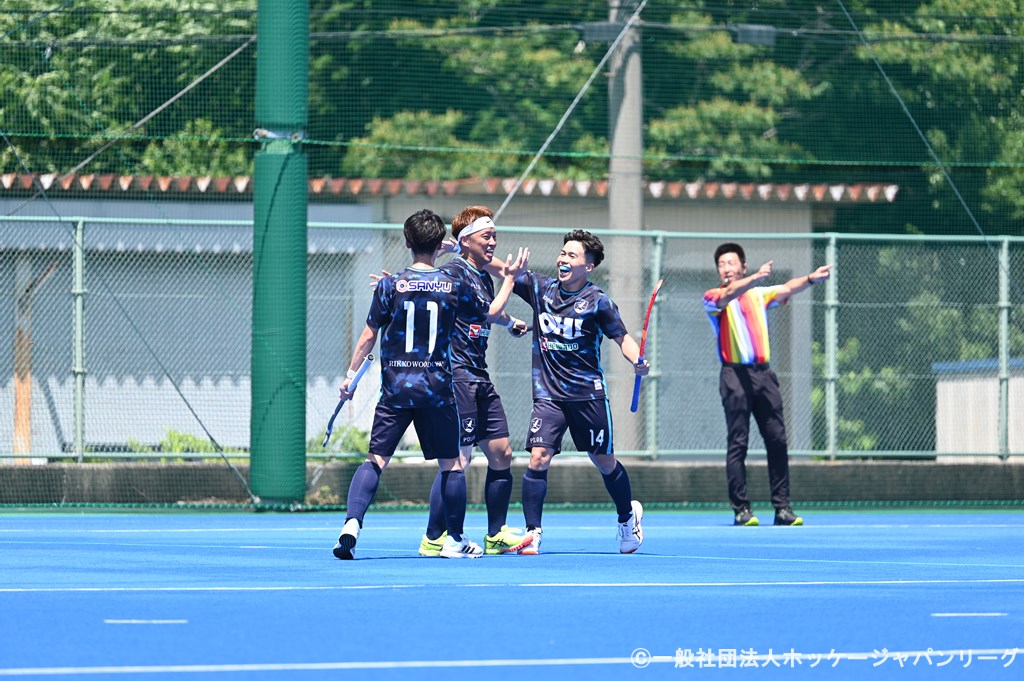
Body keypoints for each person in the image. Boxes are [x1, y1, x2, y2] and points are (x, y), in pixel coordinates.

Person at [331, 208, 524, 560]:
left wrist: (350, 376)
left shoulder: (390, 285)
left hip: (396, 389)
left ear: (407, 243)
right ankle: (454, 539)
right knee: (452, 465)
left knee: (376, 459)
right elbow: (488, 313)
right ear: (440, 245)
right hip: (436, 389)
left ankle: (352, 524)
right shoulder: (453, 285)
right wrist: (509, 282)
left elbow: (369, 335)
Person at [512, 229, 649, 555]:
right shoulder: (541, 288)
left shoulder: (599, 302)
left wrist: (637, 361)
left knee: (604, 461)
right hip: (548, 394)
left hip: (587, 395)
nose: (563, 259)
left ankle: (627, 517)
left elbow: (623, 338)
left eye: (572, 255)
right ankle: (533, 532)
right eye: (563, 253)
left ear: (588, 266)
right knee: (538, 457)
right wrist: (465, 250)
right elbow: (503, 272)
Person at [416, 205, 535, 557]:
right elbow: (487, 310)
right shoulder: (453, 272)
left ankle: (496, 534)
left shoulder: (482, 276)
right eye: (487, 236)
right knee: (459, 460)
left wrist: (510, 322)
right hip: (457, 376)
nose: (493, 242)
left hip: (478, 374)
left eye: (495, 236)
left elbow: (485, 312)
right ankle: (434, 537)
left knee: (501, 453)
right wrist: (510, 279)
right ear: (466, 241)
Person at [703, 242, 833, 527]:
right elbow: (727, 295)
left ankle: (782, 508)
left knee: (777, 440)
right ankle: (741, 510)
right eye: (721, 264)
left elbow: (787, 289)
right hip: (734, 375)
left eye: (731, 263)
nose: (726, 268)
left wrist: (811, 278)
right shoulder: (713, 297)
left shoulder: (758, 295)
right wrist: (755, 278)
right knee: (738, 442)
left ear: (743, 266)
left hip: (764, 376)